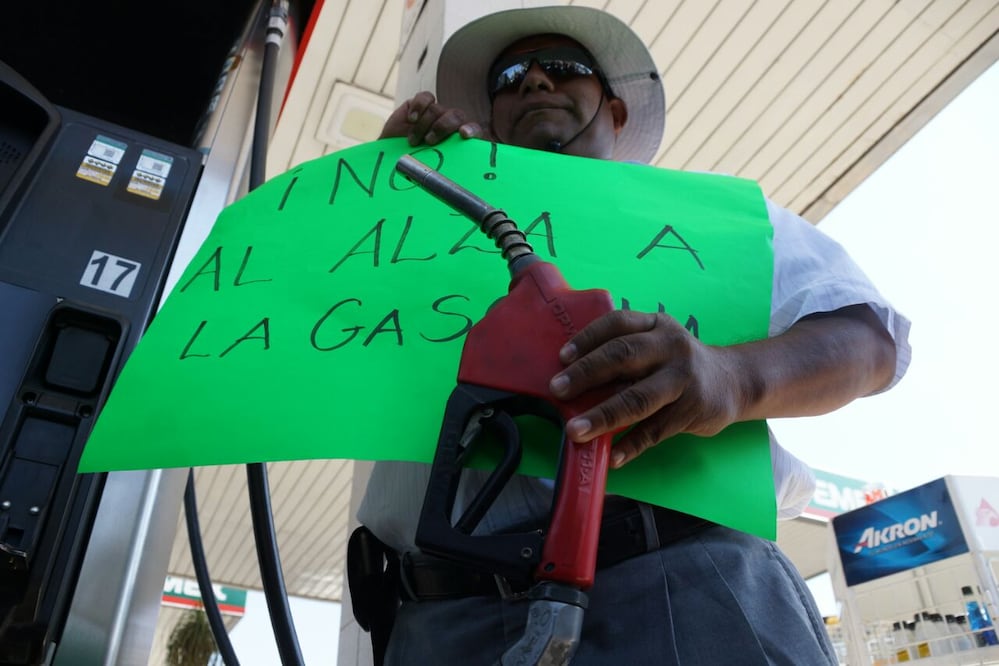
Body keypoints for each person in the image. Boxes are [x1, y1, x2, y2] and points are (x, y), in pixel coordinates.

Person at [352, 5, 911, 665]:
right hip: (440, 617)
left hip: (684, 586)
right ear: (488, 118)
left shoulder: (709, 214)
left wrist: (733, 377)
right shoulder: (413, 231)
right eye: (510, 75)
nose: (534, 82)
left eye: (561, 69)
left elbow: (870, 340)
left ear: (615, 113)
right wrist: (374, 191)